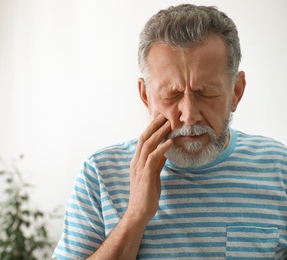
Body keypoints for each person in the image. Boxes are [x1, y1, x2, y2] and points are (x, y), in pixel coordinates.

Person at [53, 4, 287, 259]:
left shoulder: (279, 166)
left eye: (206, 92)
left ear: (236, 91)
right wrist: (135, 216)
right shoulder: (99, 174)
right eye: (171, 95)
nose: (189, 115)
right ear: (146, 96)